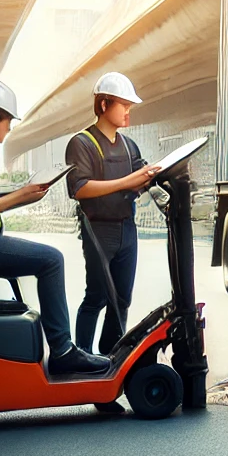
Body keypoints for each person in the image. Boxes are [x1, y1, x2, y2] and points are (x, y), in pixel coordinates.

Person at [0, 79, 109, 376]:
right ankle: (63, 351)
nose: (8, 128)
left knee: (46, 259)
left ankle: (57, 345)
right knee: (51, 260)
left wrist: (26, 194)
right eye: (7, 122)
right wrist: (20, 194)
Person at [66, 72, 159, 367]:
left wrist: (152, 178)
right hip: (98, 230)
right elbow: (80, 189)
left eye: (130, 105)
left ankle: (110, 361)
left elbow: (142, 178)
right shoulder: (82, 143)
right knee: (96, 296)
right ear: (104, 104)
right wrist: (126, 181)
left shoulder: (130, 146)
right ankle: (80, 357)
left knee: (121, 301)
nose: (128, 111)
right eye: (123, 104)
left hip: (126, 229)